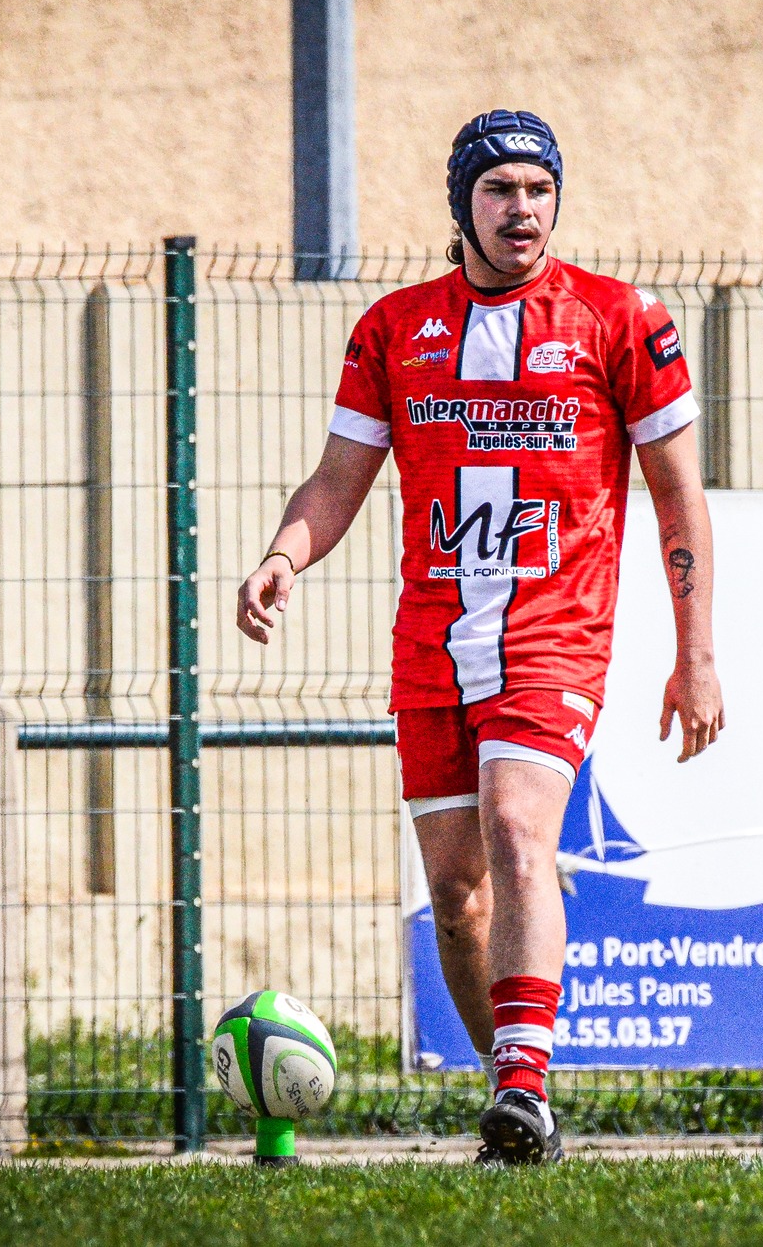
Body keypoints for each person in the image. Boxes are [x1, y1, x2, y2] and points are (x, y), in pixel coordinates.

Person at [235, 110, 724, 1163]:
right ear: (461, 202)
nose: (521, 210)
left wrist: (697, 653)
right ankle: (515, 1119)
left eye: (538, 190)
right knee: (456, 898)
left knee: (517, 827)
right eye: (499, 190)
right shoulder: (391, 329)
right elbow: (335, 479)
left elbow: (678, 499)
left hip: (555, 630)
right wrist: (284, 554)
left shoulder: (618, 318)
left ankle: (523, 1089)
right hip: (433, 641)